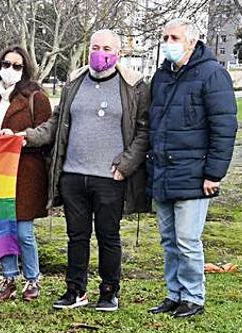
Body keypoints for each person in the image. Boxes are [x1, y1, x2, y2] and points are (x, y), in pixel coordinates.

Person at [21, 29, 150, 311]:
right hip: (73, 174)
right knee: (76, 236)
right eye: (95, 46)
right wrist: (27, 136)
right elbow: (55, 124)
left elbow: (143, 131)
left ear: (118, 52)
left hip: (110, 177)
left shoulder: (133, 86)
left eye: (106, 48)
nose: (99, 52)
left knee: (108, 236)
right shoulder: (74, 83)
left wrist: (125, 165)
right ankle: (75, 290)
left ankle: (109, 291)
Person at [146, 19, 237, 318]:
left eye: (174, 37)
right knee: (169, 241)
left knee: (187, 240)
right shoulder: (162, 76)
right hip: (163, 171)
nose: (168, 41)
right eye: (165, 36)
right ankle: (174, 294)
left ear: (191, 41)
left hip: (194, 175)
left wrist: (214, 173)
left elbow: (224, 128)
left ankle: (193, 296)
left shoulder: (212, 75)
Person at [0, 47, 52, 302]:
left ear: (25, 70)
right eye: (7, 64)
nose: (10, 70)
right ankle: (8, 277)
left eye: (17, 66)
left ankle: (32, 279)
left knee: (23, 231)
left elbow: (47, 132)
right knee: (3, 228)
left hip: (26, 172)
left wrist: (22, 139)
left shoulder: (35, 97)